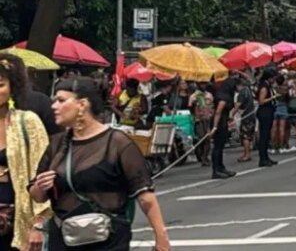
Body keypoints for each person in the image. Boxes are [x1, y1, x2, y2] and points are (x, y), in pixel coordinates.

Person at [31, 77, 170, 250]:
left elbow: (145, 197)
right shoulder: (56, 145)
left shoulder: (118, 143)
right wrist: (40, 186)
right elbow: (37, 196)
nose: (54, 106)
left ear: (82, 104)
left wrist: (161, 237)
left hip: (108, 240)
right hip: (64, 239)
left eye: (61, 100)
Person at [0, 56, 51, 251]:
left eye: (1, 85)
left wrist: (38, 224)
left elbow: (41, 174)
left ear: (12, 87)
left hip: (18, 211)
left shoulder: (27, 122)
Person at [210, 74, 238, 179]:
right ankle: (216, 169)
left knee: (221, 146)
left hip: (223, 120)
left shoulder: (224, 95)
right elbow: (218, 112)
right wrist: (214, 127)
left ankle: (221, 167)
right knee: (217, 146)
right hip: (219, 122)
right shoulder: (223, 97)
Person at [254, 69, 278, 167]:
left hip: (269, 110)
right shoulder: (264, 87)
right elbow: (261, 101)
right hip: (264, 111)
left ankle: (266, 157)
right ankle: (262, 158)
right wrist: (273, 97)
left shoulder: (268, 85)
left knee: (267, 134)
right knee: (264, 135)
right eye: (273, 78)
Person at [188, 83, 214, 167]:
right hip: (198, 119)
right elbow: (190, 107)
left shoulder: (209, 95)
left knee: (207, 138)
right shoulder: (193, 96)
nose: (203, 85)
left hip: (207, 118)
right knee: (201, 138)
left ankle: (205, 157)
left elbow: (212, 106)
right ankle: (201, 155)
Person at [234, 73, 257, 164]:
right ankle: (247, 154)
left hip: (246, 116)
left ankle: (247, 154)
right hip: (251, 115)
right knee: (249, 135)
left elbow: (238, 105)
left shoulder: (242, 93)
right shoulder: (249, 90)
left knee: (245, 136)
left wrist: (231, 114)